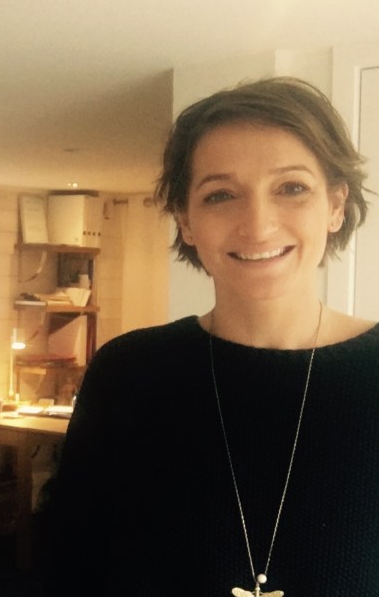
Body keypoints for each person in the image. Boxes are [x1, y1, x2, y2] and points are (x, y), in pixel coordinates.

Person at [47, 77, 377, 596]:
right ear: (186, 221)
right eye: (221, 195)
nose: (258, 225)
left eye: (291, 188)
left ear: (336, 205)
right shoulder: (128, 374)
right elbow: (71, 564)